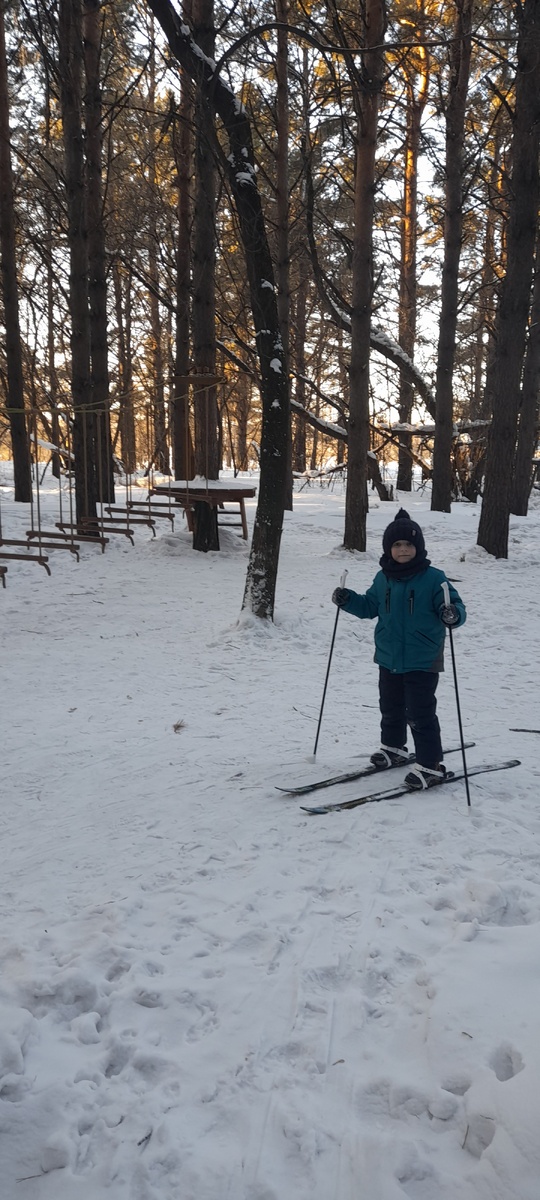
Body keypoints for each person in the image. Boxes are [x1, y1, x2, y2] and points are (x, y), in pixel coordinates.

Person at [332, 508, 466, 790]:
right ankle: (394, 748)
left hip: (422, 657)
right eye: (397, 545)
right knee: (390, 707)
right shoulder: (383, 578)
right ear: (388, 548)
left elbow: (454, 606)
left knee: (420, 713)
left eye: (408, 545)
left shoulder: (433, 578)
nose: (403, 549)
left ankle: (431, 765)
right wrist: (348, 600)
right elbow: (370, 606)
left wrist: (451, 614)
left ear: (418, 548)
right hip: (389, 656)